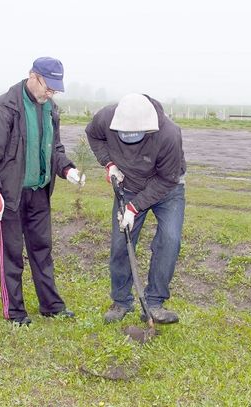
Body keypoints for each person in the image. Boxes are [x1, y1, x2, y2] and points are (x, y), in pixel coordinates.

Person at [0, 57, 83, 326]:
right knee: (12, 254)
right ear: (33, 76)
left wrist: (66, 169)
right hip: (9, 195)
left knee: (42, 250)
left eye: (55, 89)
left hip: (39, 192)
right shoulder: (5, 108)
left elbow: (53, 148)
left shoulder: (50, 109)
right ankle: (15, 312)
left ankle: (51, 305)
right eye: (48, 86)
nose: (50, 93)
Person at [86, 93, 186, 324]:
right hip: (128, 184)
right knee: (121, 242)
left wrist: (133, 207)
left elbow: (168, 180)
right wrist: (109, 163)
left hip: (167, 189)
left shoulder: (169, 133)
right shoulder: (107, 118)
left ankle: (154, 303)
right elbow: (93, 136)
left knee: (169, 240)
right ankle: (121, 302)